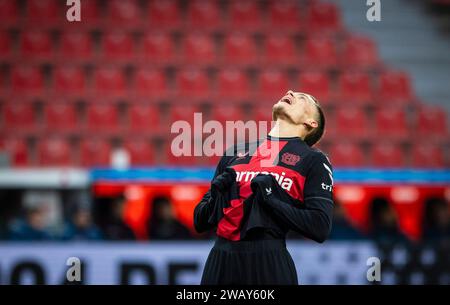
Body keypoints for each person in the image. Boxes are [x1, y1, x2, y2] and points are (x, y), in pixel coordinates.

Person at [194, 90, 334, 285]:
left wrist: (271, 200)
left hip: (269, 260)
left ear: (311, 123)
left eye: (302, 98)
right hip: (220, 259)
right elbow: (199, 222)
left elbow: (320, 227)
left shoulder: (314, 160)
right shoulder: (235, 152)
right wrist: (217, 197)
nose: (290, 92)